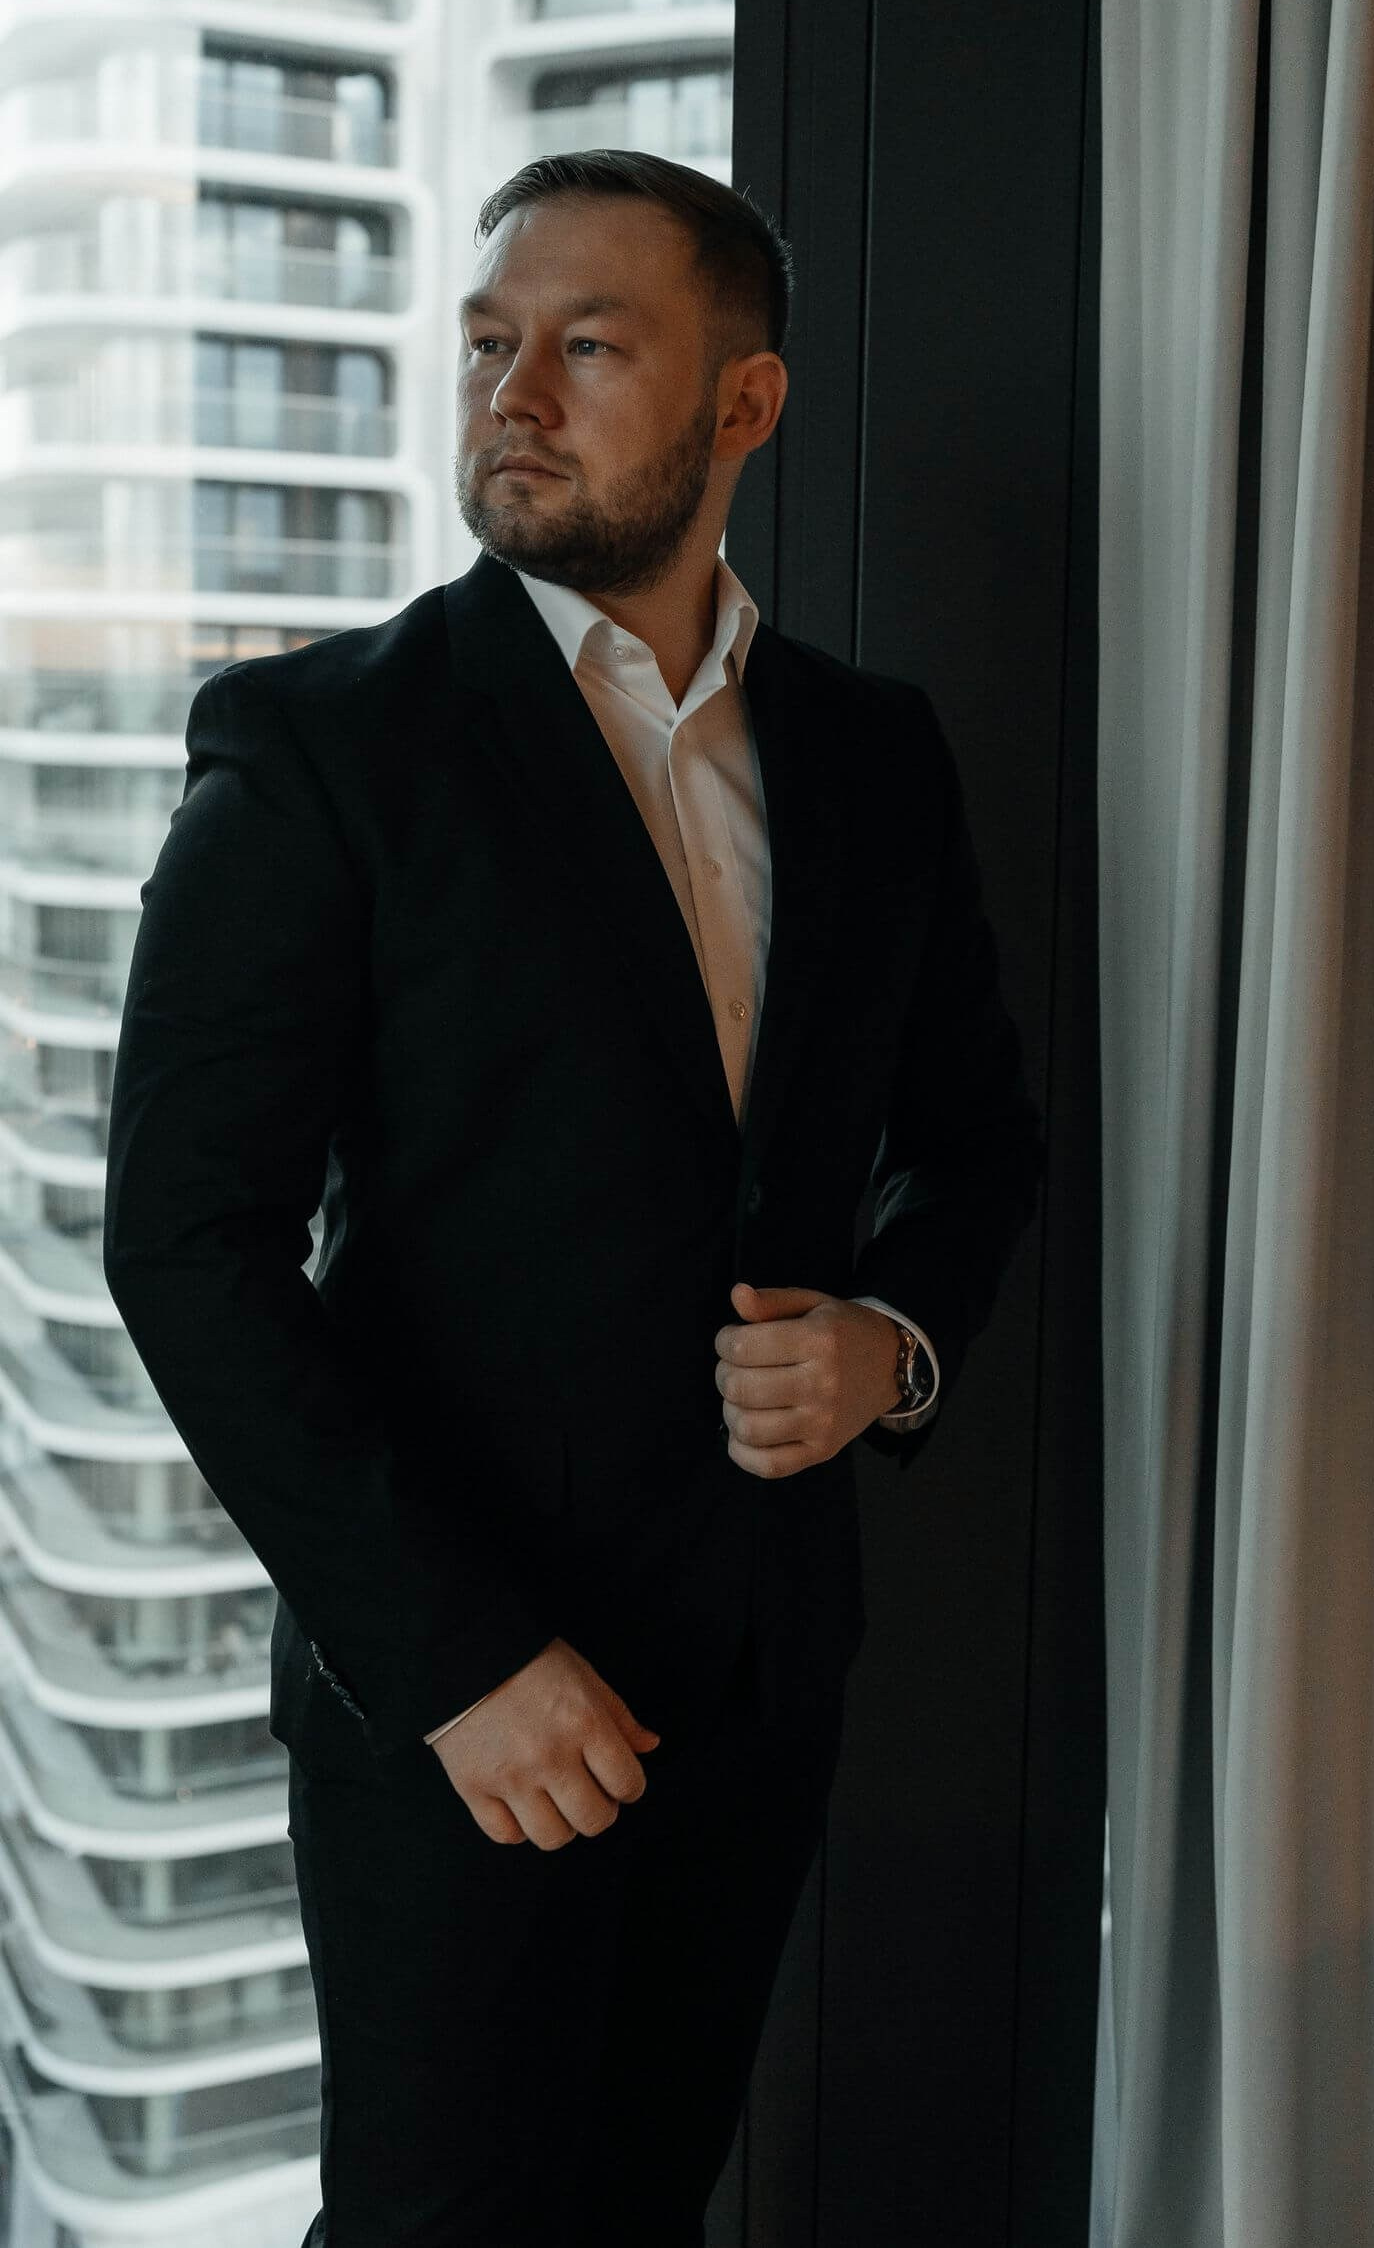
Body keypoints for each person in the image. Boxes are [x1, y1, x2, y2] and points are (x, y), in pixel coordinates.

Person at [103, 151, 1046, 2246]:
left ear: (746, 402)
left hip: (761, 1674)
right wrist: (454, 1660)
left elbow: (978, 1140)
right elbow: (182, 1241)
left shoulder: (874, 755)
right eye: (486, 343)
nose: (512, 394)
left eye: (590, 345)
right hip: (458, 1704)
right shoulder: (319, 744)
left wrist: (889, 1342)